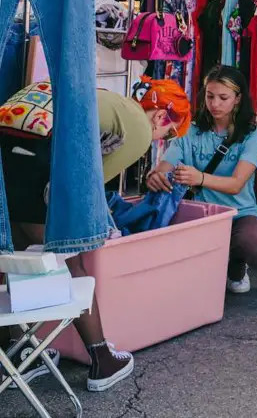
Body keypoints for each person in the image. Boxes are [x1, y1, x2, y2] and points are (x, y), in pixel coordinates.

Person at [5, 78, 190, 392]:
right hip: (39, 153)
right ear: (160, 117)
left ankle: (20, 356)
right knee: (70, 260)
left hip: (9, 147)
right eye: (168, 134)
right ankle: (102, 360)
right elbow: (84, 188)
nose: (161, 139)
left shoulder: (108, 100)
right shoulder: (140, 131)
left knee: (20, 256)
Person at [150, 66, 257, 294]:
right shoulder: (191, 130)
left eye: (223, 98)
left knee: (252, 244)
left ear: (238, 99)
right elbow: (164, 166)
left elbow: (236, 184)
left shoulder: (253, 136)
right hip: (198, 213)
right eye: (210, 96)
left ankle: (236, 267)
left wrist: (199, 178)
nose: (215, 104)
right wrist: (156, 177)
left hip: (239, 212)